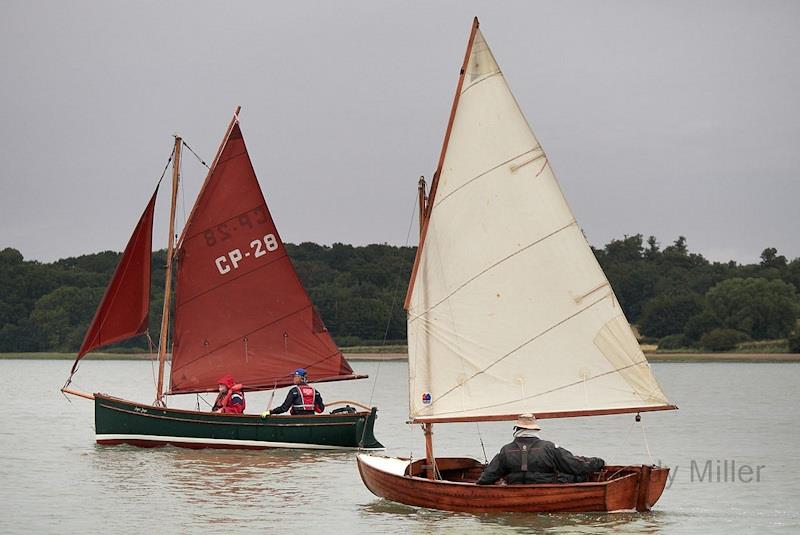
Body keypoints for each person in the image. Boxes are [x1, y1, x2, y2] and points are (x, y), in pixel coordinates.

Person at [476, 414, 605, 485]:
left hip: (515, 492)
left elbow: (485, 479)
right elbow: (577, 466)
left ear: (516, 430)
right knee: (573, 476)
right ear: (536, 430)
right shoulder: (549, 447)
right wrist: (598, 462)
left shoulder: (505, 450)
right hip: (547, 491)